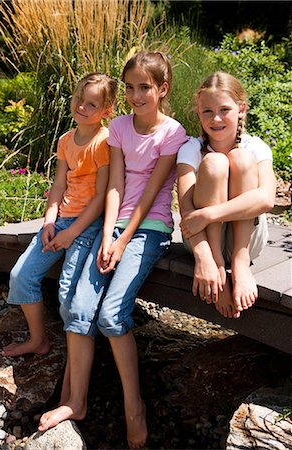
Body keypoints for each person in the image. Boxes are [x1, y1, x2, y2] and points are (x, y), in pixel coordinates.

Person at [38, 51, 187, 449]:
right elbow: (115, 187)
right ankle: (76, 402)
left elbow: (150, 194)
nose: (136, 95)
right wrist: (107, 236)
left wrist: (122, 240)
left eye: (144, 88)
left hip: (148, 228)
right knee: (80, 307)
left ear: (162, 89)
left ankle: (132, 407)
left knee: (110, 313)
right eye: (130, 88)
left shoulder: (172, 132)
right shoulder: (118, 127)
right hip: (114, 224)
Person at [2, 72, 118, 357]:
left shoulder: (104, 142)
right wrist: (50, 220)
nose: (81, 106)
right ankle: (38, 339)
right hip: (62, 218)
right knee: (20, 275)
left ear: (106, 111)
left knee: (67, 294)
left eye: (91, 104)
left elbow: (102, 197)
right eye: (79, 98)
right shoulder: (66, 140)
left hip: (87, 224)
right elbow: (58, 184)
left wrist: (71, 232)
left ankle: (77, 356)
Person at [177, 71, 276, 319]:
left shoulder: (256, 147)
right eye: (207, 111)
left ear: (241, 109)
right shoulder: (190, 149)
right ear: (198, 113)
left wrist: (210, 213)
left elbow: (266, 199)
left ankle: (240, 265)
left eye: (224, 109)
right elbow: (187, 212)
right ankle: (220, 266)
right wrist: (206, 260)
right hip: (202, 241)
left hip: (246, 242)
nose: (216, 118)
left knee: (240, 158)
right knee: (213, 163)